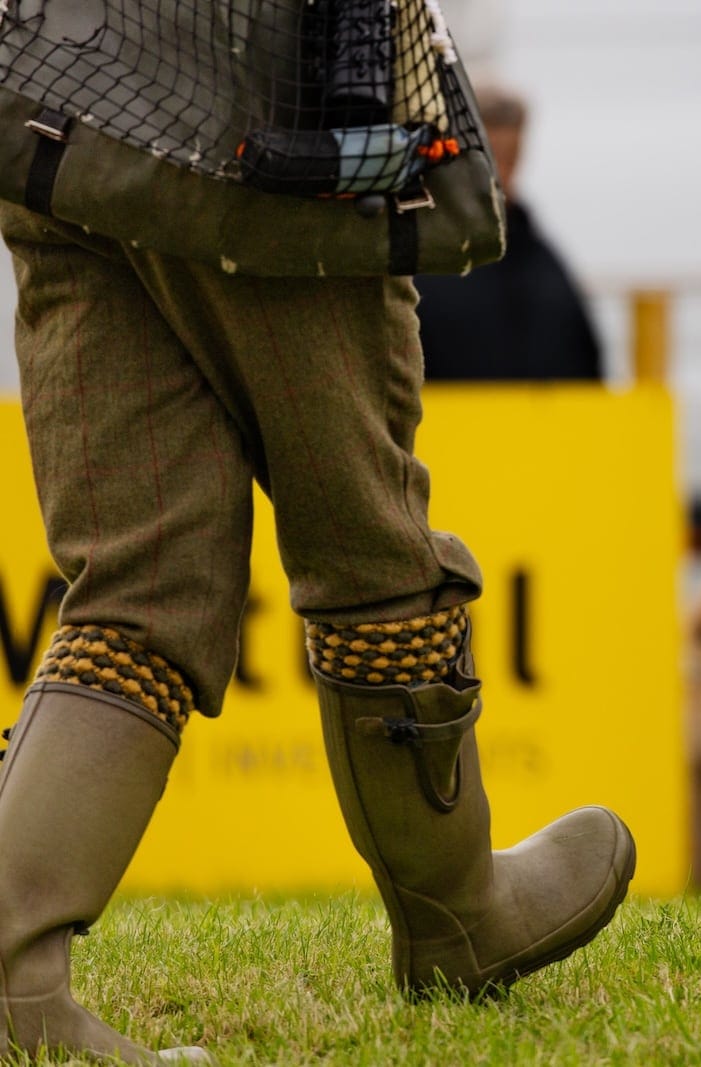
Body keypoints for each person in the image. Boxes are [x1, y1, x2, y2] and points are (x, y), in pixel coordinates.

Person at [0, 6, 633, 1063]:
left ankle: (14, 982)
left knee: (137, 586)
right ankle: (458, 915)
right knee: (371, 549)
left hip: (52, 94)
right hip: (255, 113)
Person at [415, 86, 603, 381]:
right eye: (488, 156)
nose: (500, 173)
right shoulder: (422, 260)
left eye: (509, 156)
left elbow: (585, 368)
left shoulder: (544, 263)